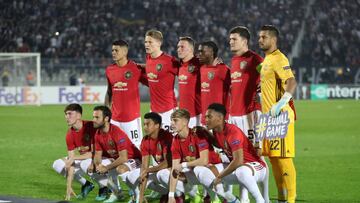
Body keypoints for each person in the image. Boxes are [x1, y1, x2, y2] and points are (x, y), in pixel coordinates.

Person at [258, 25, 297, 203]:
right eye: (259, 37)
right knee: (273, 159)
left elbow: (291, 82)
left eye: (264, 37)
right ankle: (281, 197)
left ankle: (291, 199)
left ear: (273, 40)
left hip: (280, 117)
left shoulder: (279, 58)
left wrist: (282, 103)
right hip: (268, 118)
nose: (260, 40)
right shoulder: (266, 60)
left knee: (283, 158)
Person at [200, 103, 268, 203]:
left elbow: (239, 161)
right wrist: (206, 133)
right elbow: (220, 144)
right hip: (239, 169)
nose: (206, 119)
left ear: (220, 117)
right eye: (205, 116)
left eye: (209, 116)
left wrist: (219, 176)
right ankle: (232, 200)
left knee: (242, 171)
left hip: (255, 167)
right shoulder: (217, 130)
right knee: (203, 172)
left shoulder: (232, 131)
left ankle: (260, 200)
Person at [228, 26, 265, 202]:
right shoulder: (234, 60)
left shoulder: (254, 59)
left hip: (249, 114)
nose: (230, 42)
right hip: (234, 115)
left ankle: (264, 197)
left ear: (244, 41)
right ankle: (244, 197)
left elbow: (268, 76)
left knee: (256, 156)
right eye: (230, 39)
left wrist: (263, 84)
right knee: (239, 157)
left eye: (234, 39)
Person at [156, 109, 222, 203]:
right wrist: (171, 196)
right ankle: (194, 196)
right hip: (195, 172)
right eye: (171, 120)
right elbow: (175, 168)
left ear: (185, 122)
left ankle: (215, 199)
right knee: (162, 174)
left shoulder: (197, 134)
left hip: (214, 171)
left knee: (199, 169)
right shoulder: (175, 140)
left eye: (175, 120)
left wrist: (183, 165)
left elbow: (204, 161)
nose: (171, 123)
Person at [81, 105, 142, 203]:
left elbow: (124, 158)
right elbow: (97, 154)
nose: (94, 120)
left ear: (106, 119)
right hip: (119, 160)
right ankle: (117, 194)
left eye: (97, 117)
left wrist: (106, 167)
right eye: (93, 117)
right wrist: (96, 165)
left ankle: (137, 196)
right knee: (97, 170)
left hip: (135, 159)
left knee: (120, 169)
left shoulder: (116, 132)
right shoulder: (98, 134)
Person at [105, 40, 147, 148]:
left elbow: (153, 79)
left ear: (125, 52)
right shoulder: (109, 70)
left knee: (136, 148)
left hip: (132, 119)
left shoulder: (136, 68)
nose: (113, 52)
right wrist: (106, 112)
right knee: (114, 149)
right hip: (115, 119)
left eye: (116, 50)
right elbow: (109, 92)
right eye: (112, 50)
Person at [125, 112, 173, 203]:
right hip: (161, 170)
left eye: (148, 124)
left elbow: (168, 163)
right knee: (131, 176)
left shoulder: (167, 137)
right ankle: (164, 192)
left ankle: (181, 194)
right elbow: (144, 167)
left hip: (175, 170)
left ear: (157, 125)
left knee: (162, 174)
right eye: (144, 124)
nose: (145, 127)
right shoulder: (145, 140)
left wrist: (148, 170)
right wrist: (141, 196)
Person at [52, 103, 96, 201]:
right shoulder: (69, 134)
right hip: (85, 159)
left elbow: (95, 153)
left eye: (70, 114)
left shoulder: (91, 127)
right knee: (58, 164)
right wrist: (69, 187)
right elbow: (71, 163)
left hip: (99, 158)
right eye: (66, 114)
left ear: (79, 115)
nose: (67, 117)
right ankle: (86, 184)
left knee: (85, 163)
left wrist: (73, 158)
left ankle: (106, 189)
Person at [144, 29, 180, 131]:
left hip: (168, 110)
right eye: (145, 42)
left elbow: (185, 70)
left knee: (171, 142)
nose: (147, 44)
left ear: (159, 43)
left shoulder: (169, 61)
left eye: (150, 42)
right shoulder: (148, 58)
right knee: (155, 141)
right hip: (153, 110)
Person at [198, 41, 230, 125]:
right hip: (204, 120)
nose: (199, 54)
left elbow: (235, 89)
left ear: (212, 53)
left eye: (203, 52)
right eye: (199, 51)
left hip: (218, 120)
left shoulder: (223, 69)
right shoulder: (200, 69)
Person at [177, 36, 202, 128]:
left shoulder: (200, 63)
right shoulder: (179, 65)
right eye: (178, 47)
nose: (179, 49)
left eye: (182, 47)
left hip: (198, 115)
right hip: (183, 115)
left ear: (191, 49)